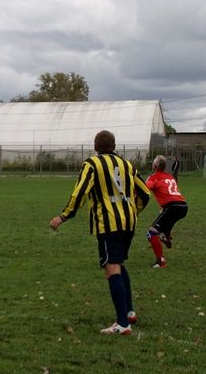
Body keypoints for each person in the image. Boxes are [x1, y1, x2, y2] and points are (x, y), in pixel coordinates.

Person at [50, 130, 151, 335]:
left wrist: (63, 216)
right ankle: (129, 312)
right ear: (114, 146)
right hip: (129, 223)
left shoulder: (92, 164)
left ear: (95, 147)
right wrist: (133, 210)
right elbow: (145, 193)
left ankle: (122, 324)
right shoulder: (127, 165)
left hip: (109, 223)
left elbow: (80, 193)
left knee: (112, 268)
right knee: (119, 264)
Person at [144, 155, 189, 269]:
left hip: (172, 207)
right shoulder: (170, 177)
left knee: (151, 233)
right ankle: (166, 237)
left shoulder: (153, 177)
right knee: (165, 217)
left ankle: (161, 262)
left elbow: (144, 190)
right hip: (183, 206)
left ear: (154, 166)